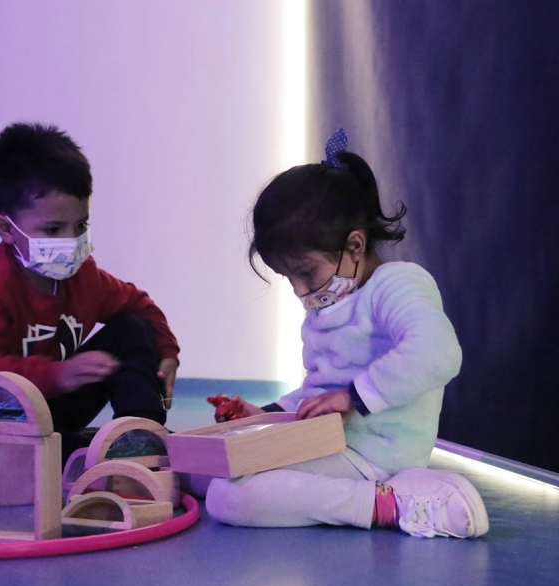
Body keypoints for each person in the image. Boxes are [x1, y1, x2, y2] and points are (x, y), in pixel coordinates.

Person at [204, 129, 489, 538]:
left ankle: (390, 502)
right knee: (206, 467)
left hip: (375, 455)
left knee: (227, 496)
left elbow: (439, 352)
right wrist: (263, 417)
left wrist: (354, 397)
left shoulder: (398, 284)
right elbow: (320, 391)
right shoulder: (333, 298)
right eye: (289, 279)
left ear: (355, 245)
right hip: (331, 444)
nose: (300, 291)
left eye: (305, 273)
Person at [0, 122, 180, 464]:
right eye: (52, 229)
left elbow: (140, 305)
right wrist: (57, 375)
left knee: (133, 327)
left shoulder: (84, 275)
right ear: (6, 228)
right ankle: (81, 452)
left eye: (80, 226)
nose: (71, 241)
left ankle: (140, 434)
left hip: (49, 411)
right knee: (49, 458)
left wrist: (168, 352)